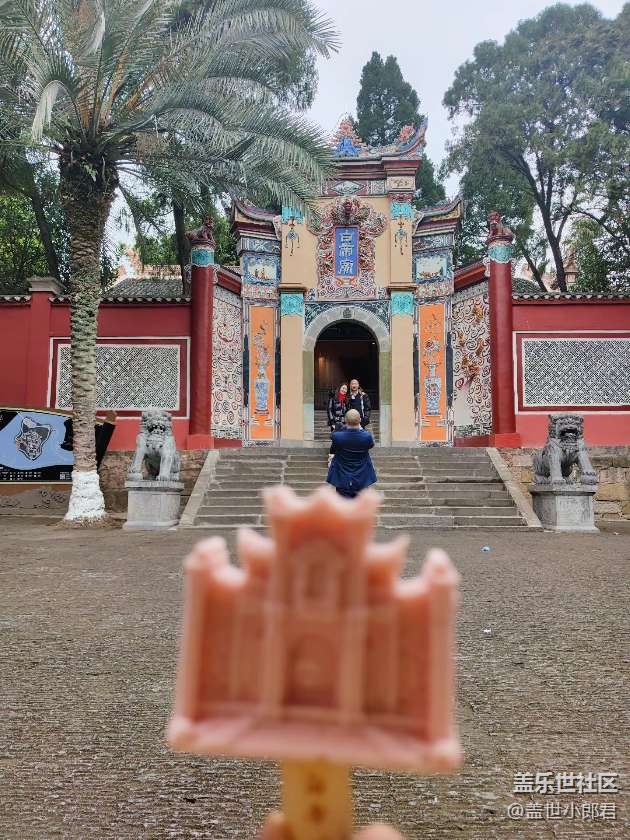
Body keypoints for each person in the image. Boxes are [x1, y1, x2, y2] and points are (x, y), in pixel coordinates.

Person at [326, 408, 377, 498]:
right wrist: (360, 428)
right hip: (362, 477)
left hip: (342, 478)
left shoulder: (337, 437)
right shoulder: (366, 437)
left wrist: (342, 427)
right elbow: (371, 445)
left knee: (343, 505)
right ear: (360, 420)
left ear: (345, 420)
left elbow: (333, 440)